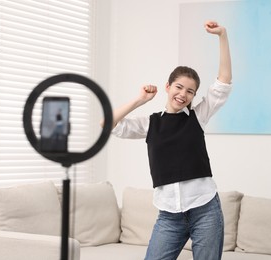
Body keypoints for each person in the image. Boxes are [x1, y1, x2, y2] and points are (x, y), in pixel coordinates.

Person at [108, 20, 232, 260]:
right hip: (169, 216)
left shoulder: (198, 116)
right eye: (179, 87)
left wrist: (222, 36)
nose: (183, 94)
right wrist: (139, 100)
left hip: (205, 210)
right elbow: (108, 125)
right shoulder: (150, 123)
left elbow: (224, 82)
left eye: (190, 91)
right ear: (167, 86)